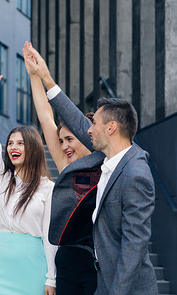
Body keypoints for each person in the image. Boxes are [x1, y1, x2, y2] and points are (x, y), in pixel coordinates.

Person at [25, 44, 158, 294]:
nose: (88, 129)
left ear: (111, 128)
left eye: (94, 123)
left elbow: (134, 245)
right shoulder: (107, 157)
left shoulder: (135, 174)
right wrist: (45, 77)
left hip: (125, 287)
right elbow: (75, 120)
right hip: (103, 280)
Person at [23, 41, 100, 294]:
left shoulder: (104, 163)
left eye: (70, 139)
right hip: (66, 260)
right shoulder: (66, 166)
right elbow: (45, 117)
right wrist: (34, 75)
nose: (65, 146)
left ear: (87, 136)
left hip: (95, 263)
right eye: (60, 141)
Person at [0, 65, 57, 295]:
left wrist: (51, 277)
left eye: (20, 143)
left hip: (33, 263)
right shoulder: (2, 179)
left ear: (32, 148)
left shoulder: (47, 188)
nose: (13, 147)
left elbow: (50, 237)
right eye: (11, 142)